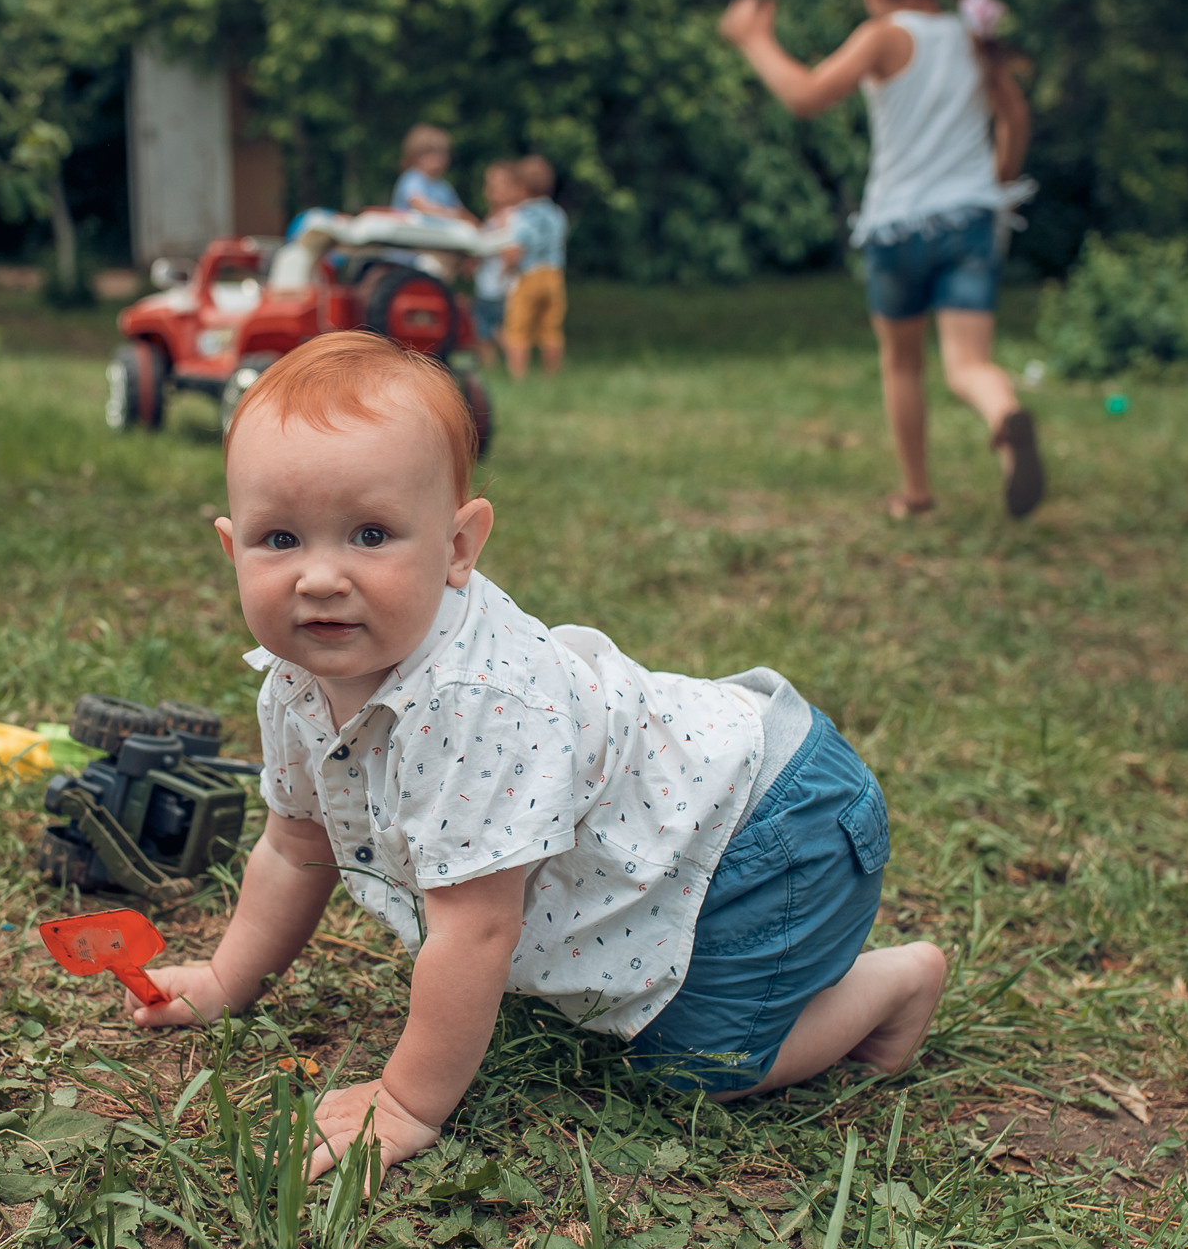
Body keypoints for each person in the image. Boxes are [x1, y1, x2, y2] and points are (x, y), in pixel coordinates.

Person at [120, 331, 949, 1176]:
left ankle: (892, 984)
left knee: (698, 1067)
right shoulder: (294, 682)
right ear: (233, 548)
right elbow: (296, 848)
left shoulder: (474, 705)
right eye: (281, 540)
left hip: (769, 827)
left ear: (457, 545)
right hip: (710, 811)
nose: (320, 577)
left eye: (370, 535)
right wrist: (227, 980)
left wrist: (405, 1101)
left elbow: (477, 928)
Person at [720, 0, 1042, 520]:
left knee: (902, 362)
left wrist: (754, 40)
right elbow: (1016, 118)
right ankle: (1006, 416)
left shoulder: (886, 34)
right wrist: (995, 178)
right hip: (970, 219)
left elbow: (807, 95)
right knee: (969, 364)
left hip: (898, 224)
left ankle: (917, 495)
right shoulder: (972, 36)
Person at [501, 155, 569, 379]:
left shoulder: (521, 216)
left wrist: (507, 269)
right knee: (551, 327)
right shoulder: (557, 214)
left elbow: (516, 249)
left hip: (528, 276)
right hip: (554, 276)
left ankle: (518, 376)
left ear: (521, 187)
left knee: (518, 327)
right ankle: (552, 374)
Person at [472, 160, 522, 370]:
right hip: (486, 286)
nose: (493, 188)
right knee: (482, 331)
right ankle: (491, 369)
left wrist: (504, 273)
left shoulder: (511, 217)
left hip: (500, 287)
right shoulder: (491, 218)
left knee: (501, 331)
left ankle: (516, 367)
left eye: (501, 183)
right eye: (490, 183)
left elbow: (513, 251)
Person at [390, 124, 473, 222]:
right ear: (416, 155)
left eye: (443, 154)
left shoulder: (444, 187)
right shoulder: (412, 178)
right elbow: (420, 206)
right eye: (433, 153)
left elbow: (462, 212)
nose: (440, 159)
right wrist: (450, 213)